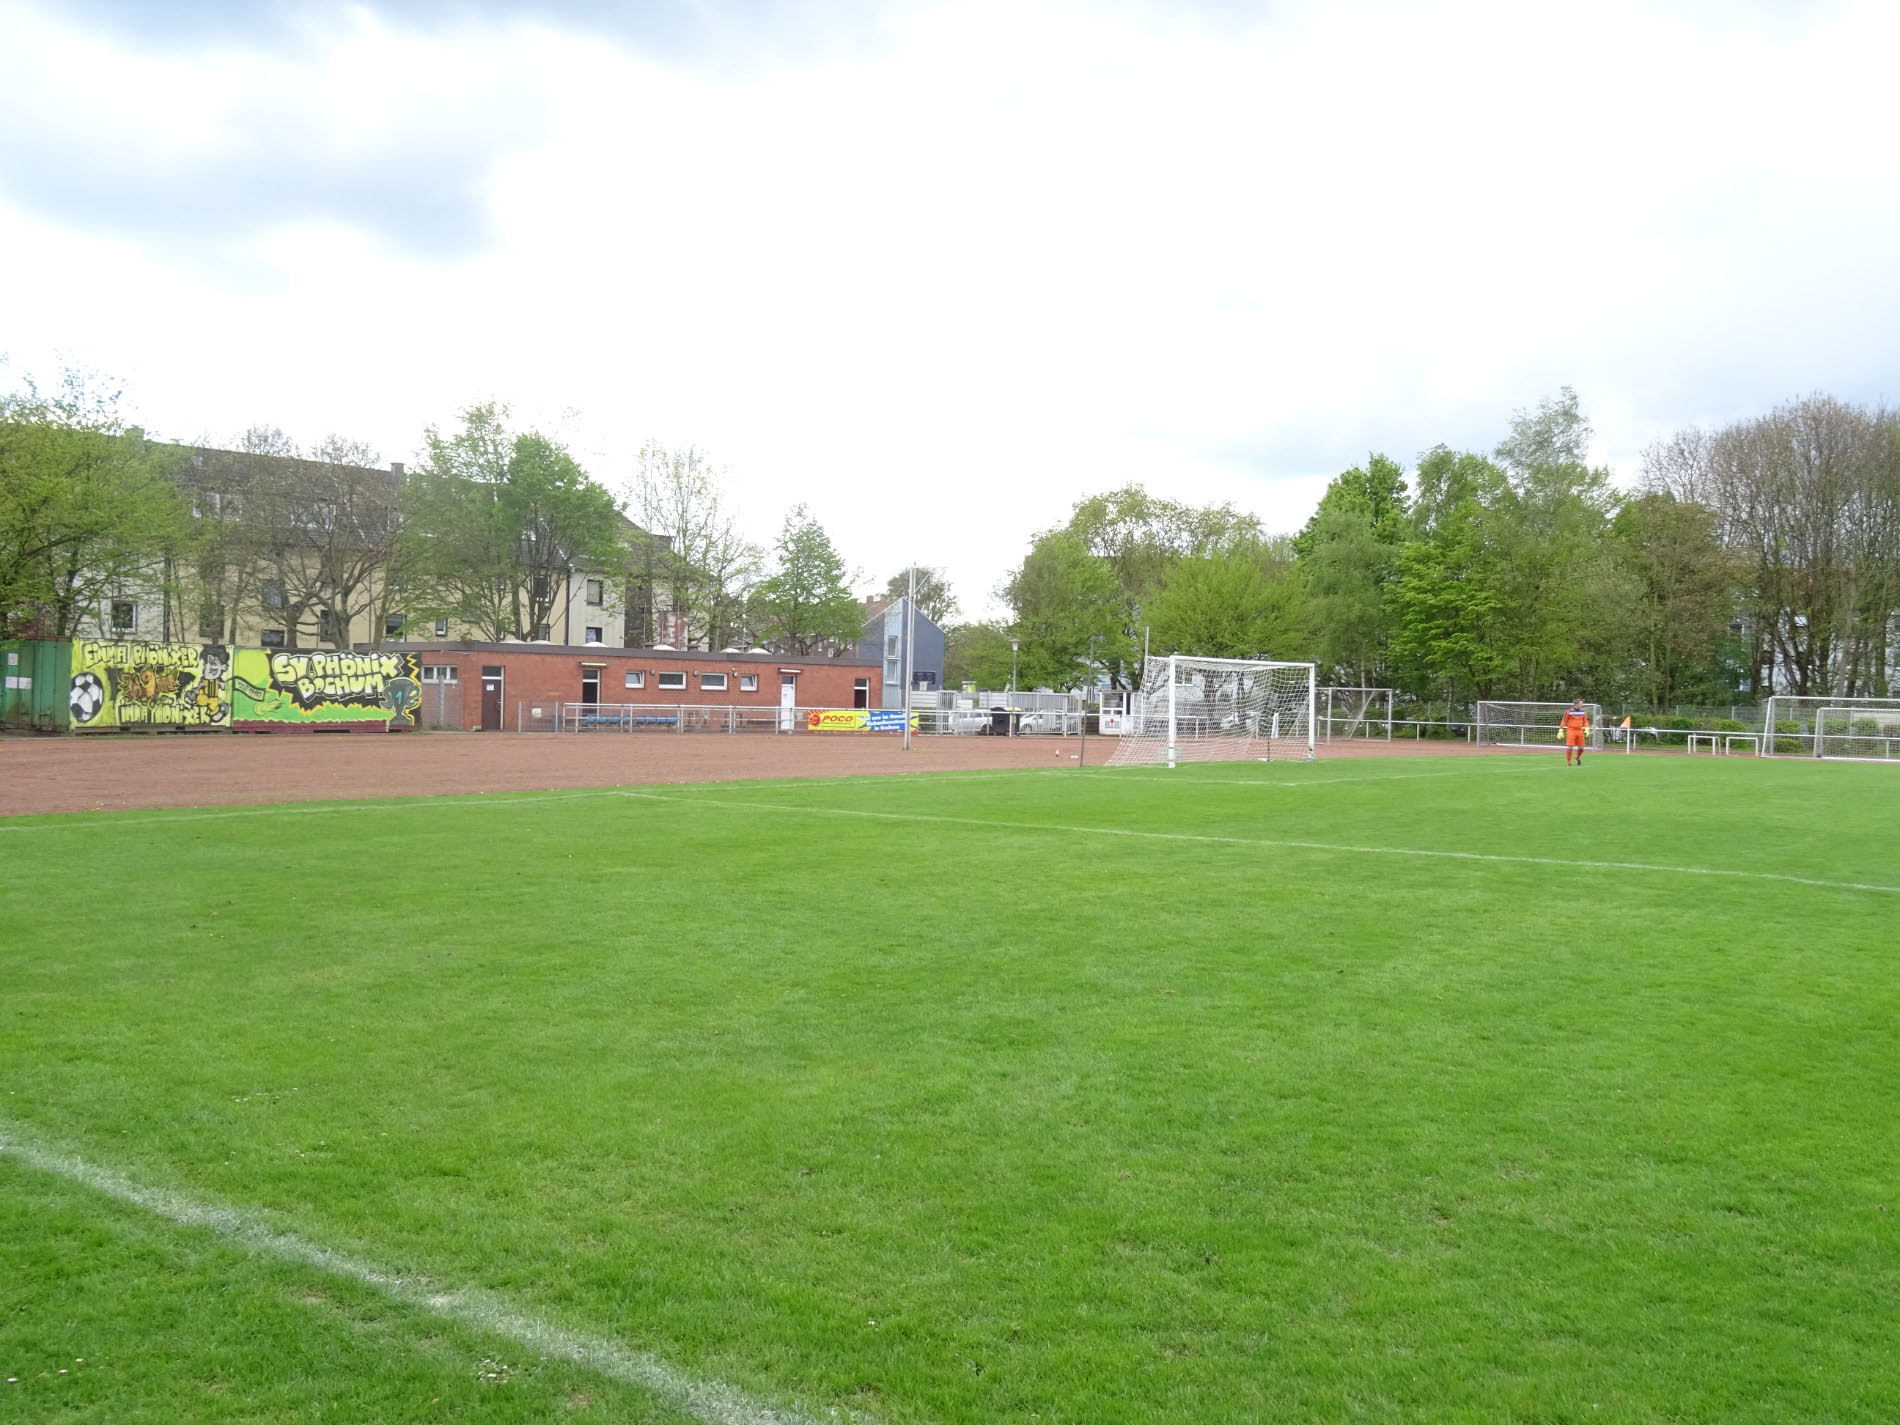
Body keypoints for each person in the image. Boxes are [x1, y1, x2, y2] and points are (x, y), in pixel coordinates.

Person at [1558, 698, 1590, 766]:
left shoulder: (1583, 712)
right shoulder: (1569, 712)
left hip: (1580, 730)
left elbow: (1585, 721)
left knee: (1581, 747)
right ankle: (1569, 762)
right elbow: (1564, 721)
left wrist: (1587, 728)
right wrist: (1561, 730)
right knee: (1570, 746)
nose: (1582, 705)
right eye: (1581, 703)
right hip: (1571, 730)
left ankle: (1577, 757)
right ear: (1576, 704)